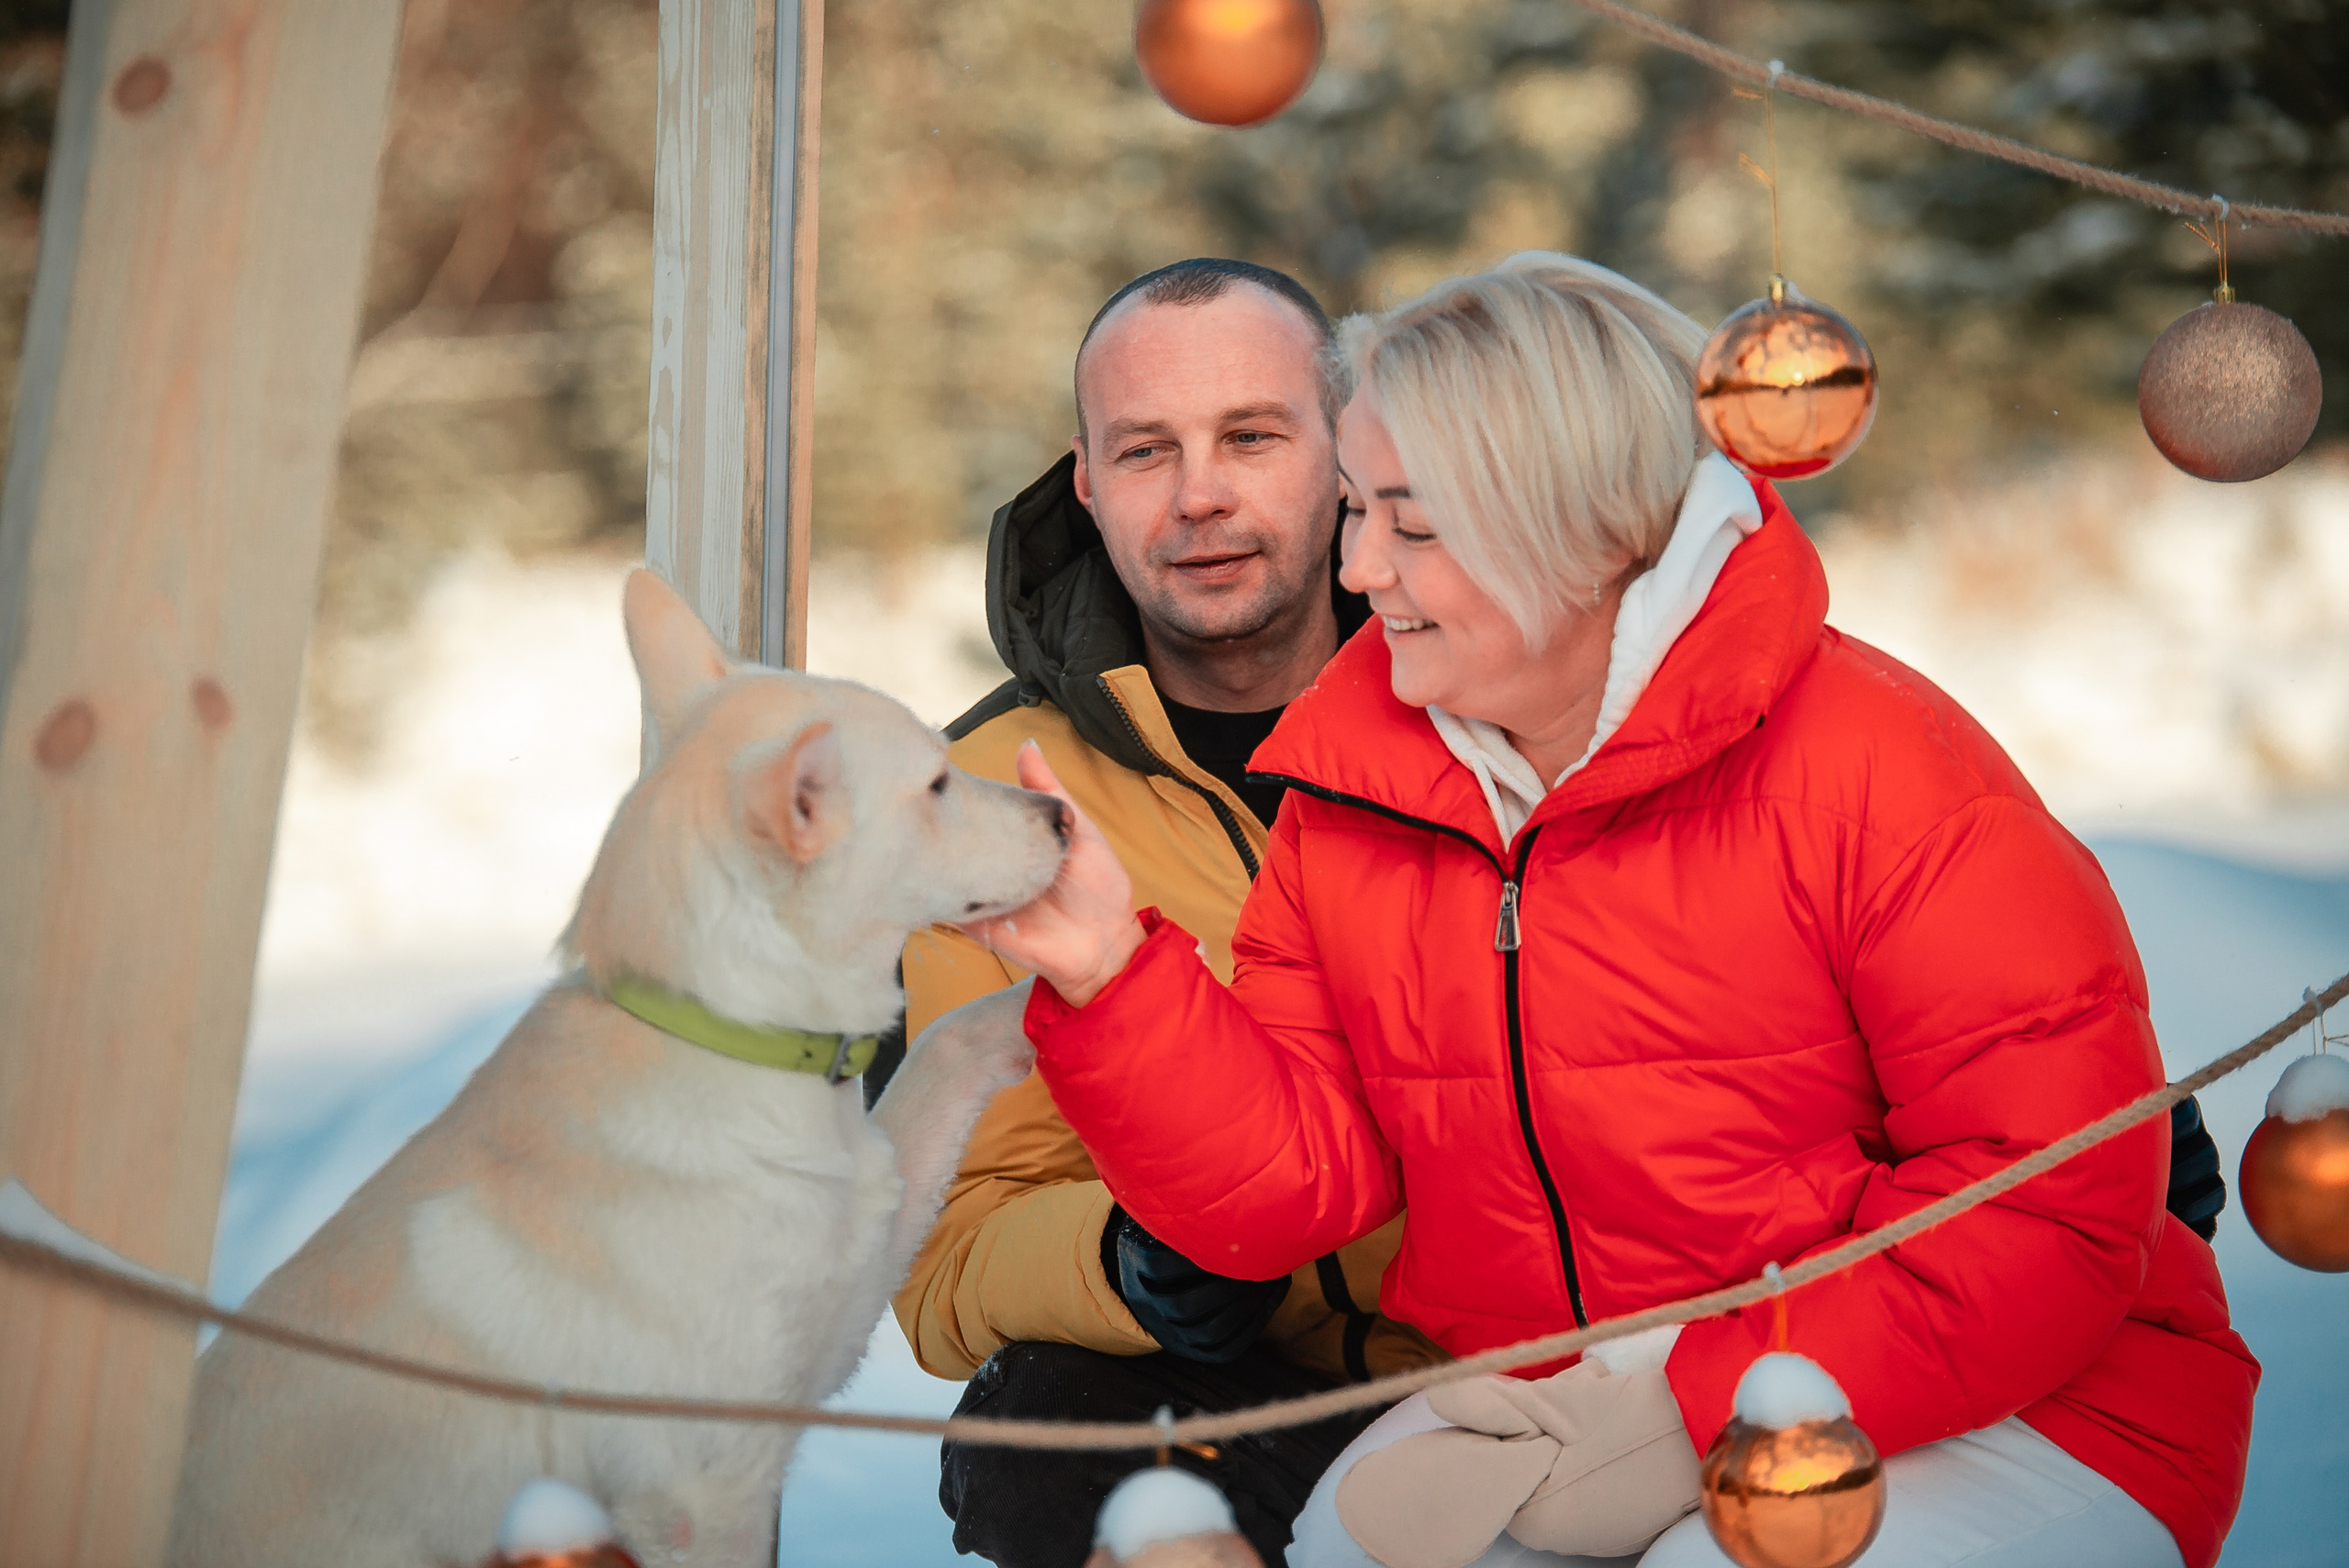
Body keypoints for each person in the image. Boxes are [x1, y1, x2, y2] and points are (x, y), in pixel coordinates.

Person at [966, 253, 2257, 1568]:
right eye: (1356, 510)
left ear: (1569, 526)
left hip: (2026, 1404)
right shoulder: (1356, 788)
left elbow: (2046, 1219)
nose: (1358, 568)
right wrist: (1110, 975)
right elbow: (1289, 1185)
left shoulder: (1876, 764)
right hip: (1579, 1400)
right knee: (1353, 1547)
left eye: (1409, 525)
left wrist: (1689, 1396)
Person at [885, 259, 1442, 1568]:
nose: (1199, 495)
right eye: (1146, 450)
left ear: (1347, 447)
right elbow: (947, 1249)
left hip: (1520, 1364)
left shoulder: (1480, 693)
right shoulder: (985, 800)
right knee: (1050, 1425)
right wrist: (1125, 1257)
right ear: (1086, 479)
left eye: (1251, 436)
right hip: (1234, 1404)